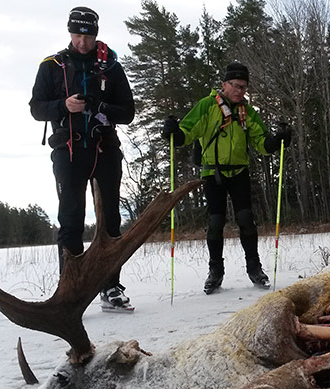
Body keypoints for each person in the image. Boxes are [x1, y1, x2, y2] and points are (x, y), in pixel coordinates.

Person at [29, 7, 136, 312]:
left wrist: (100, 106)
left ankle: (111, 287)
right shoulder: (52, 66)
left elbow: (127, 113)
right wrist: (64, 106)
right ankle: (70, 290)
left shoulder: (112, 66)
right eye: (77, 34)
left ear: (95, 34)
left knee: (111, 220)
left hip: (105, 149)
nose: (82, 41)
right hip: (69, 150)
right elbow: (36, 108)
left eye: (88, 35)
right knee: (71, 220)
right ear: (69, 32)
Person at [163, 62, 292, 294]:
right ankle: (215, 272)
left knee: (246, 219)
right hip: (212, 173)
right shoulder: (206, 106)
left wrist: (277, 141)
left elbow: (262, 141)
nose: (240, 91)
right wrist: (174, 132)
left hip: (239, 172)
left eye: (244, 87)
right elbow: (187, 131)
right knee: (215, 223)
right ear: (224, 84)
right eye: (236, 85)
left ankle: (254, 268)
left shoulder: (247, 111)